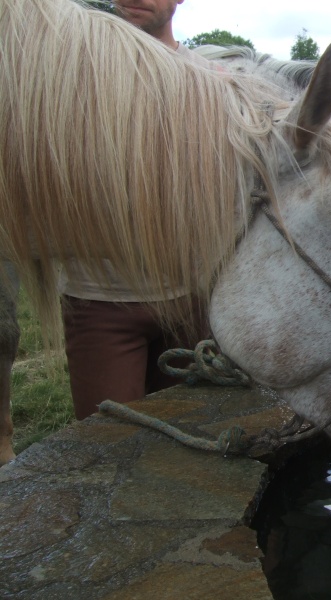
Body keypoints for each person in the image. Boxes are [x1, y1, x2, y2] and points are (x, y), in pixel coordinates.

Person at [61, 0, 216, 419]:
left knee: (190, 442)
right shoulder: (76, 68)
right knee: (108, 451)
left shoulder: (210, 79)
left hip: (191, 298)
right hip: (99, 297)